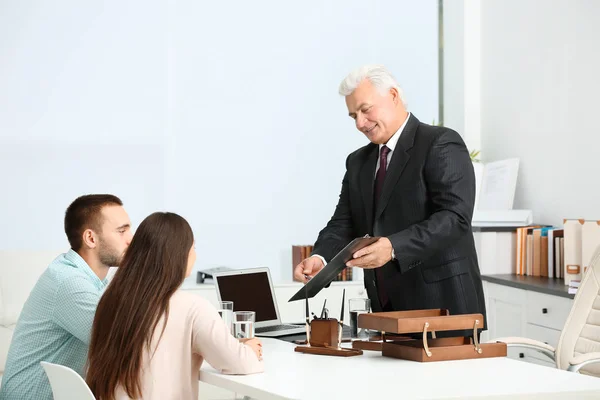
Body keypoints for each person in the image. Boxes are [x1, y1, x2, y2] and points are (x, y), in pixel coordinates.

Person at [293, 65, 486, 332]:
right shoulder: (358, 161)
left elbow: (454, 218)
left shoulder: (440, 143)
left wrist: (393, 247)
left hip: (444, 309)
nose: (360, 123)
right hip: (386, 311)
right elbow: (343, 222)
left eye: (365, 109)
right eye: (353, 116)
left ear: (393, 96)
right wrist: (321, 259)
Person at [86, 212, 263, 400]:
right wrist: (250, 349)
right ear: (180, 254)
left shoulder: (110, 301)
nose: (195, 255)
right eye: (193, 247)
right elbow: (241, 363)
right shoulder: (193, 308)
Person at [0, 194, 132, 400]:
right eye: (121, 231)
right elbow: (123, 344)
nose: (130, 239)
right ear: (90, 238)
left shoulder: (93, 281)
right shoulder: (69, 282)